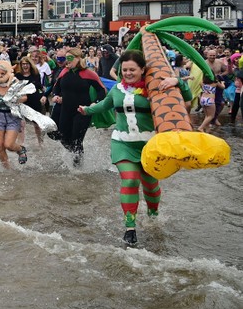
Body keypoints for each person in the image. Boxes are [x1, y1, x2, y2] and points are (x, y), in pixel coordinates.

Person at [79, 49, 189, 246]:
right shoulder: (117, 90)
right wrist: (87, 110)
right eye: (125, 70)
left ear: (142, 69)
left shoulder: (155, 87)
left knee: (150, 186)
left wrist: (177, 82)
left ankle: (153, 215)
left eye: (132, 70)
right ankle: (130, 227)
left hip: (150, 146)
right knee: (130, 181)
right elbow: (104, 105)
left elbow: (186, 99)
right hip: (123, 143)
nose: (128, 73)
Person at [51, 47, 106, 167]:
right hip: (65, 110)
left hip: (82, 112)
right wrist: (56, 96)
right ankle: (73, 156)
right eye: (65, 58)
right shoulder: (64, 72)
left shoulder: (89, 73)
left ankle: (78, 169)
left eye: (69, 58)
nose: (67, 61)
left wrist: (95, 103)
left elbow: (102, 90)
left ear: (78, 58)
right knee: (63, 138)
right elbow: (56, 87)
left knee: (77, 140)